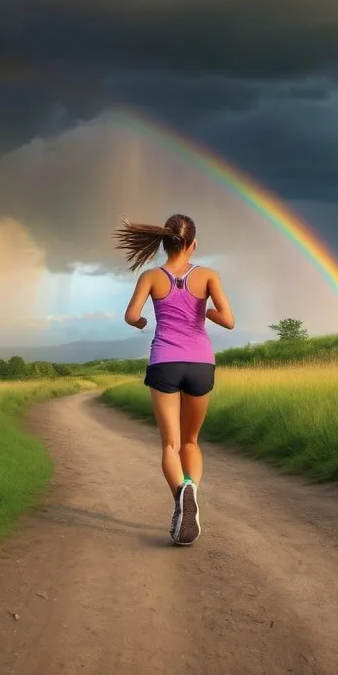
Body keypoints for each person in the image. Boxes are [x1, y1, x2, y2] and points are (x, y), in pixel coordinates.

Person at [113, 213, 235, 545]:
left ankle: (181, 494)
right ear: (193, 244)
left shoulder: (151, 276)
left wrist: (140, 324)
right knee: (192, 441)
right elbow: (229, 320)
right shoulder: (208, 275)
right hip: (200, 364)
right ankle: (191, 491)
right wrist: (207, 311)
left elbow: (131, 315)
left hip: (165, 361)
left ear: (165, 243)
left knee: (171, 444)